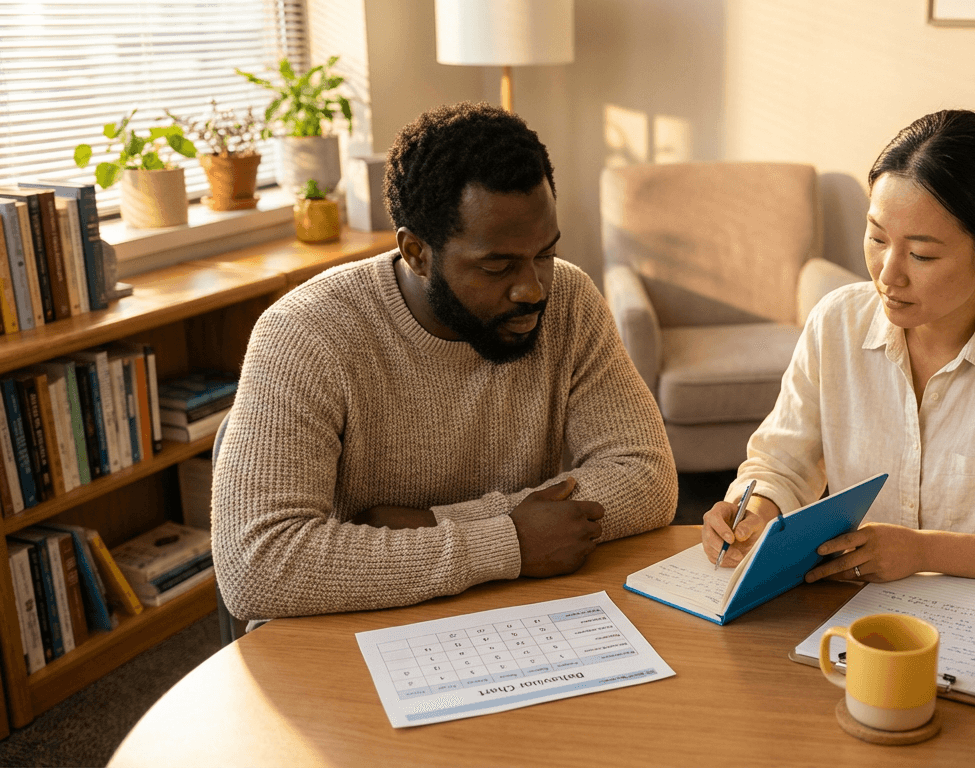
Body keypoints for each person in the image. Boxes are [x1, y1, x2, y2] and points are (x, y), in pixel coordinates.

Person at [213, 102, 677, 620]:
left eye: (544, 253)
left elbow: (647, 476)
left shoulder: (569, 299)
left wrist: (435, 523)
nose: (533, 288)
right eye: (497, 266)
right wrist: (508, 544)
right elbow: (257, 566)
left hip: (513, 606)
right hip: (353, 617)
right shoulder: (305, 333)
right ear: (416, 253)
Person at [701, 110, 975, 593]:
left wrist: (923, 550)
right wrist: (755, 512)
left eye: (922, 254)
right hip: (854, 616)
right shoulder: (836, 324)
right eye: (877, 237)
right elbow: (780, 465)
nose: (888, 274)